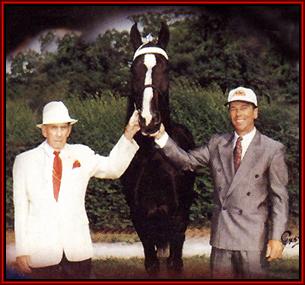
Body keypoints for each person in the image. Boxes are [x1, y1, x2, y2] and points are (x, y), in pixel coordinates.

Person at [151, 86, 289, 278]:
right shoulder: (217, 143)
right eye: (233, 108)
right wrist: (161, 137)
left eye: (244, 107)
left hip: (253, 241)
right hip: (221, 239)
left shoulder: (272, 149)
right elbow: (187, 161)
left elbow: (280, 199)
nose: (238, 113)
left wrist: (277, 238)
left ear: (255, 112)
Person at [13, 101, 140, 279]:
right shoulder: (24, 161)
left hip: (78, 251)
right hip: (41, 252)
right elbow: (20, 208)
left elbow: (113, 168)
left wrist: (128, 134)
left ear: (69, 130)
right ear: (44, 130)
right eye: (53, 128)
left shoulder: (82, 154)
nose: (58, 134)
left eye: (63, 128)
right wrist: (21, 250)